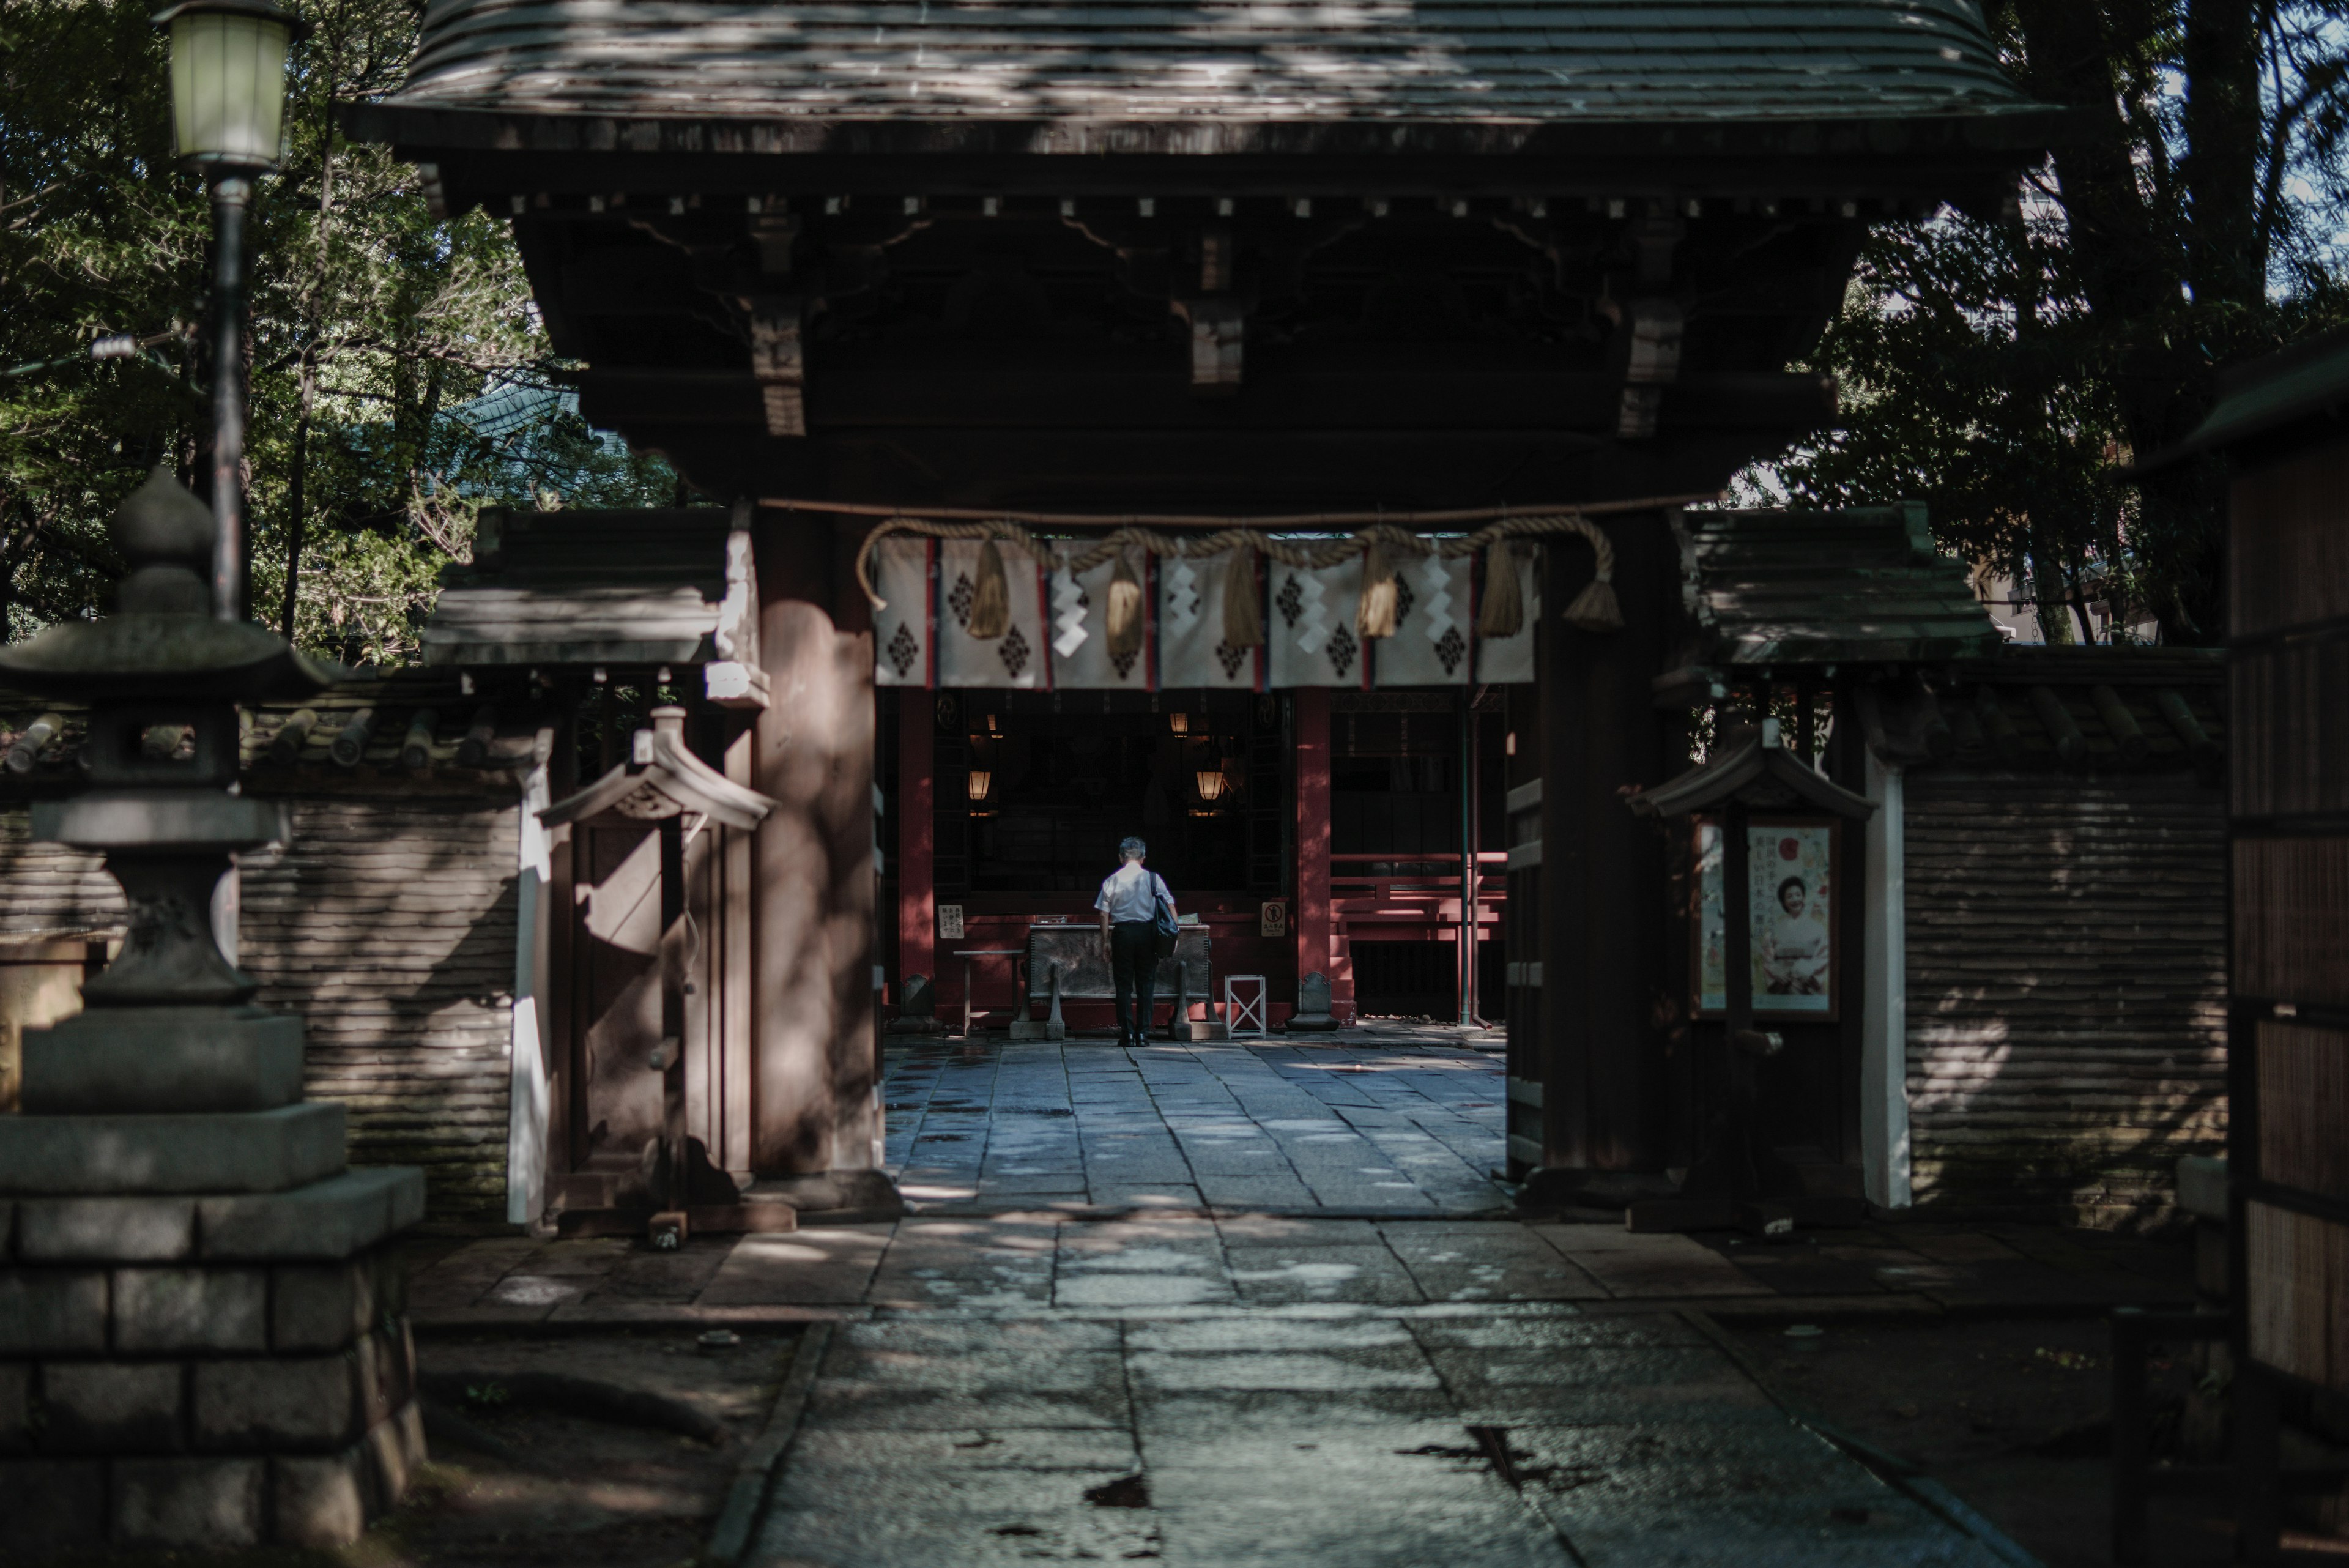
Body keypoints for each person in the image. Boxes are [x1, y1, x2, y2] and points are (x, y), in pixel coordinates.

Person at [1097, 836, 1176, 1047]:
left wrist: (1106, 941)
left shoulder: (1111, 881)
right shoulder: (1153, 878)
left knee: (1123, 985)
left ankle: (1127, 1033)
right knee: (1146, 983)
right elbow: (1170, 906)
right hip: (1147, 934)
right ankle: (1143, 1034)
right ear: (1143, 858)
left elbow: (1104, 915)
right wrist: (1173, 934)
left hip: (1122, 933)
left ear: (1121, 857)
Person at [1760, 875, 1829, 995]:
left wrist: (1809, 969)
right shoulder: (1775, 929)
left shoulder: (1818, 928)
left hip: (1808, 986)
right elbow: (1767, 957)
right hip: (1782, 986)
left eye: (1798, 895)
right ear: (1784, 902)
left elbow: (1824, 955)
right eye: (1789, 897)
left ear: (1804, 898)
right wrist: (1777, 972)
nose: (1795, 899)